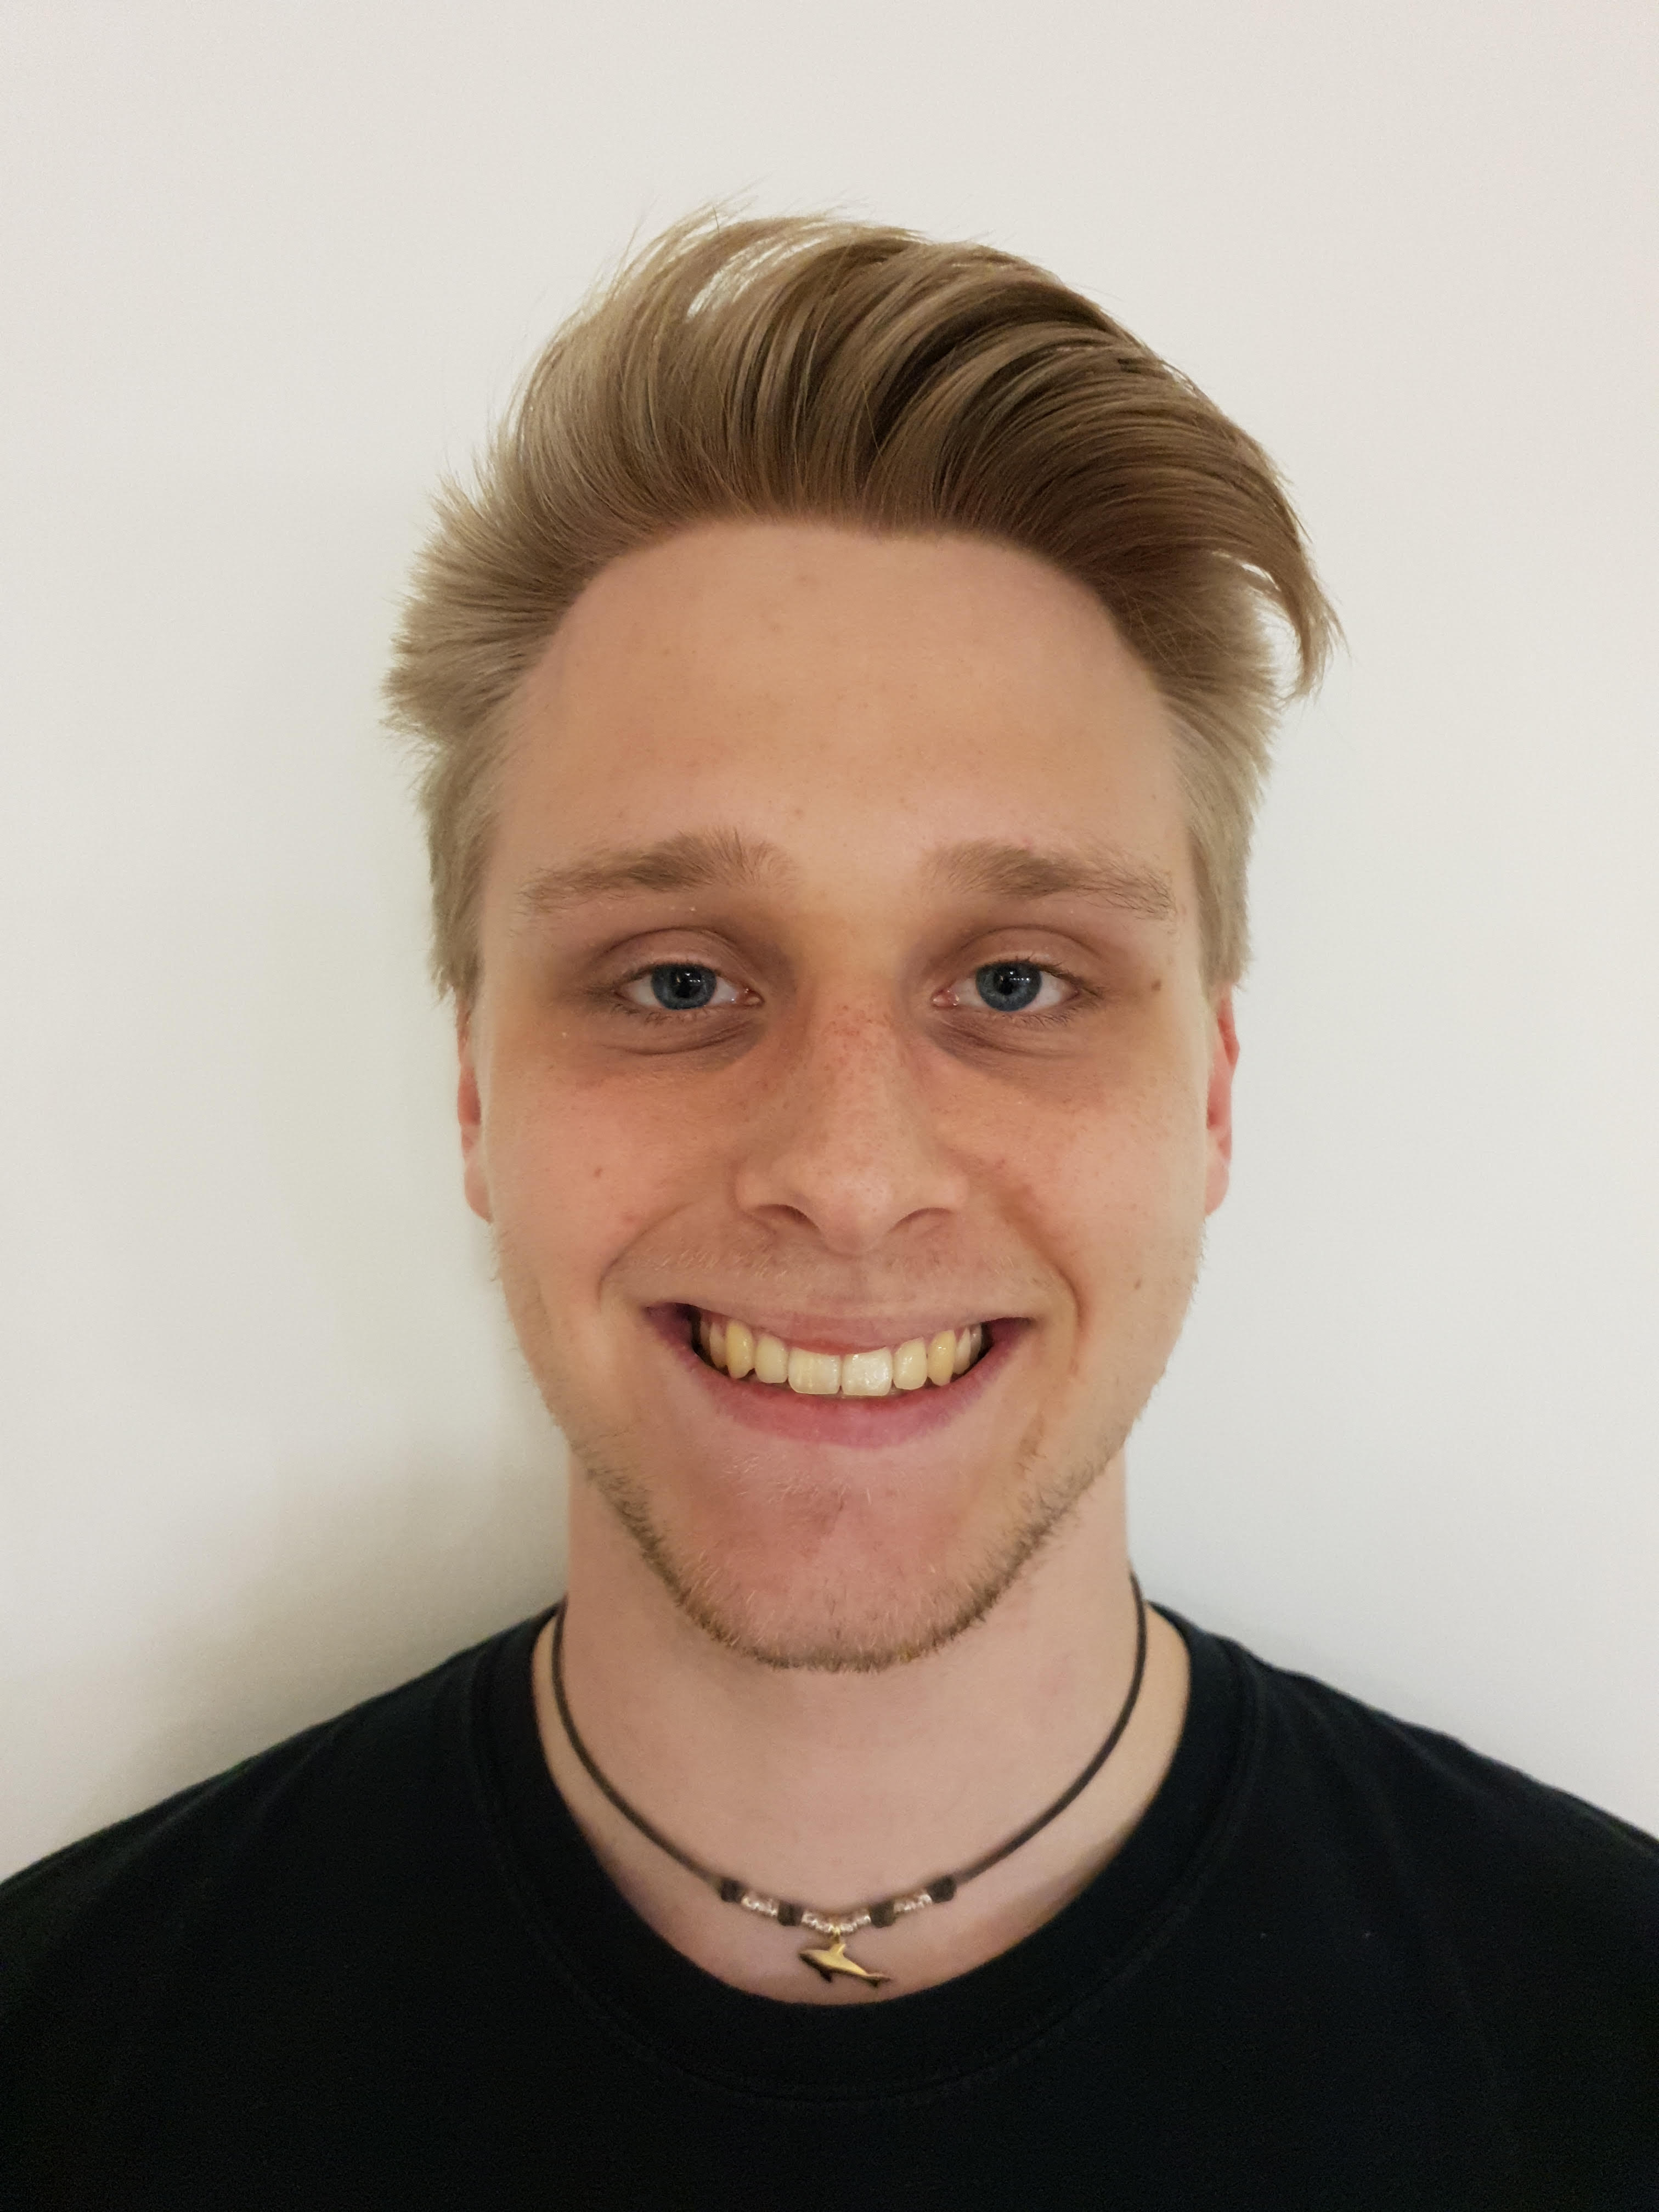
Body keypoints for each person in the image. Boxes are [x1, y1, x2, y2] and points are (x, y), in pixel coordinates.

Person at [2, 213, 1654, 2210]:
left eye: (1019, 981)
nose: (853, 1179)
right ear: (476, 1092)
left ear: (1212, 1093)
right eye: (677, 980)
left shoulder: (1606, 2047)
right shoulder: (63, 2072)